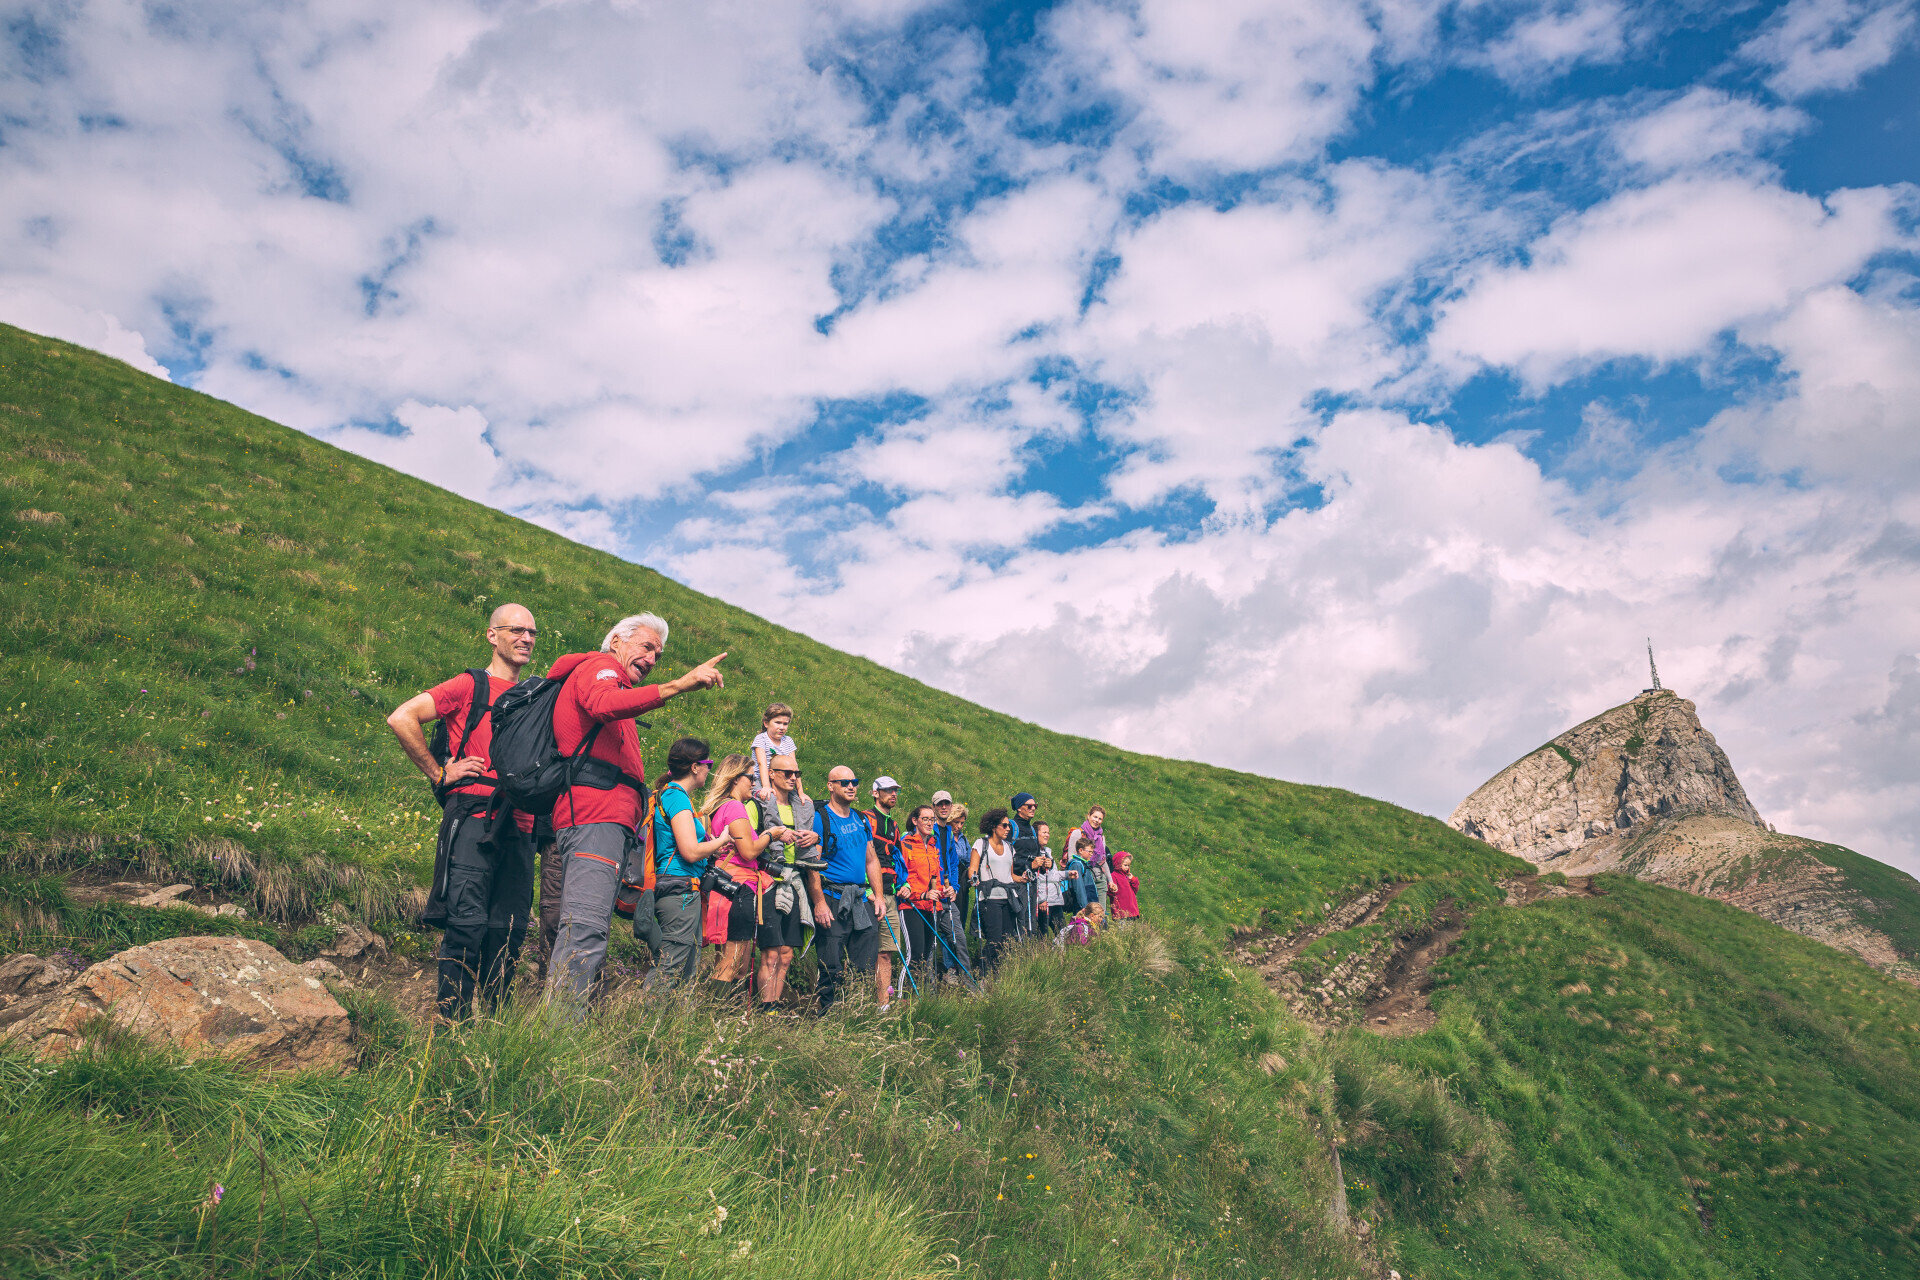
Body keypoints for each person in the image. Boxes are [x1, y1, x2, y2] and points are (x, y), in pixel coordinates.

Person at [543, 614, 728, 1011]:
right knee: (586, 930)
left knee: (590, 931)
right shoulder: (600, 667)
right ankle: (556, 1038)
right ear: (616, 641)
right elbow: (603, 702)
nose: (652, 658)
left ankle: (567, 1029)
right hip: (594, 818)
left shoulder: (614, 679)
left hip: (605, 823)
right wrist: (679, 684)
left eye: (658, 655)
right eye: (646, 647)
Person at [388, 602, 539, 1021]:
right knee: (467, 925)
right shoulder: (470, 685)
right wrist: (440, 773)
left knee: (508, 932)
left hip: (521, 823)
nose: (526, 639)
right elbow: (402, 717)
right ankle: (451, 1027)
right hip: (473, 812)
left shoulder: (535, 696)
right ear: (492, 635)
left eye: (532, 633)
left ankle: (495, 1034)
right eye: (515, 630)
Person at [702, 754, 798, 1004]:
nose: (755, 784)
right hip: (739, 888)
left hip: (725, 888)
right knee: (731, 963)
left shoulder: (719, 806)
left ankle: (721, 1016)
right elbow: (749, 851)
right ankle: (715, 1017)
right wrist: (770, 834)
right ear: (735, 779)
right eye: (750, 778)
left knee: (734, 963)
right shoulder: (734, 807)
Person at [642, 739, 730, 990]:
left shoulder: (671, 795)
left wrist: (712, 846)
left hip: (681, 890)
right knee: (670, 968)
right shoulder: (676, 798)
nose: (709, 770)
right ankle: (644, 1024)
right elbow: (690, 852)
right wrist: (721, 840)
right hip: (679, 891)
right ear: (694, 767)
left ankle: (675, 1026)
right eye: (708, 764)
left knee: (687, 971)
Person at [808, 765, 888, 1012]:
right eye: (844, 782)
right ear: (831, 786)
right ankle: (827, 1015)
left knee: (865, 962)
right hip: (832, 899)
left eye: (854, 781)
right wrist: (819, 903)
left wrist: (880, 897)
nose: (851, 786)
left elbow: (872, 859)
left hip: (860, 899)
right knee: (830, 964)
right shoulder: (820, 818)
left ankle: (857, 1013)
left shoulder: (861, 819)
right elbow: (812, 865)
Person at [750, 752, 818, 1010]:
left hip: (796, 877)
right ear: (771, 774)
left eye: (796, 774)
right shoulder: (759, 801)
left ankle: (774, 1005)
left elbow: (815, 846)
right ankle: (765, 1006)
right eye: (787, 773)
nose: (793, 778)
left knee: (787, 954)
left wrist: (814, 839)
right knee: (770, 952)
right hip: (769, 878)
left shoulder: (804, 805)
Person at [894, 803, 952, 994]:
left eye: (932, 819)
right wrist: (921, 894)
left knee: (927, 954)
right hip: (911, 906)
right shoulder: (906, 843)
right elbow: (901, 877)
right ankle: (903, 998)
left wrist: (944, 891)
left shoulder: (933, 846)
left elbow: (935, 877)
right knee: (915, 955)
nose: (929, 823)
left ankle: (920, 998)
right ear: (915, 821)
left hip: (930, 907)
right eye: (925, 819)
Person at [866, 776, 906, 1005]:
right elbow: (862, 855)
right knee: (866, 952)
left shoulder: (894, 825)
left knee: (887, 953)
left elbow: (897, 858)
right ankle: (858, 998)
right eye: (888, 790)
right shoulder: (867, 819)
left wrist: (905, 884)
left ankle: (883, 1005)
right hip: (871, 895)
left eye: (896, 791)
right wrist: (866, 889)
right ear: (875, 792)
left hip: (890, 894)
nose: (893, 794)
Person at [970, 808, 1025, 972]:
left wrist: (1022, 879)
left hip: (1008, 899)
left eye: (1008, 826)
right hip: (990, 899)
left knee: (1007, 940)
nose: (1008, 829)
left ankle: (998, 974)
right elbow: (972, 868)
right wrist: (974, 878)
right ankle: (984, 973)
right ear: (994, 826)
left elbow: (1010, 875)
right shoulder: (981, 844)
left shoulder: (1009, 847)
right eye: (1005, 825)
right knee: (994, 940)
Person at [929, 791, 969, 981]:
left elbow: (953, 863)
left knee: (959, 938)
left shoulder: (949, 832)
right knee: (930, 941)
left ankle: (968, 979)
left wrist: (954, 887)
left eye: (947, 804)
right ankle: (927, 983)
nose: (944, 807)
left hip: (947, 893)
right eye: (940, 804)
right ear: (934, 807)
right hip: (931, 893)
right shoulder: (930, 829)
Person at [751, 703, 807, 805]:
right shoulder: (761, 739)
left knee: (805, 803)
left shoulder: (788, 741)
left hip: (782, 781)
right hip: (760, 780)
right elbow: (761, 764)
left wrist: (801, 792)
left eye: (785, 724)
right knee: (770, 799)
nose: (782, 727)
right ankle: (773, 821)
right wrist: (766, 786)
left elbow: (795, 768)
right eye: (778, 723)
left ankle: (800, 821)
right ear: (766, 723)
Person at [1008, 793, 1042, 936]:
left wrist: (1043, 863)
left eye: (1035, 806)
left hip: (1031, 882)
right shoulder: (1011, 827)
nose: (1033, 808)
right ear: (1018, 808)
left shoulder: (1032, 829)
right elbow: (1007, 857)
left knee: (1031, 920)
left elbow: (1035, 854)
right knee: (1019, 919)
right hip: (1017, 882)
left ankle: (1028, 953)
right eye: (1029, 806)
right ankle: (1016, 951)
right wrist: (1029, 865)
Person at [1067, 805, 1109, 918]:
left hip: (1099, 878)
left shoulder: (1101, 837)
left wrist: (1110, 880)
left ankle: (1099, 935)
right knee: (1085, 911)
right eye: (1095, 817)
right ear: (1088, 816)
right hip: (1085, 876)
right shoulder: (1078, 833)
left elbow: (1103, 860)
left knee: (1101, 914)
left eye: (1100, 819)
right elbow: (1071, 857)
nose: (1097, 820)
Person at [1034, 821, 1067, 935]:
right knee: (1042, 936)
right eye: (1044, 832)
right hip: (1044, 903)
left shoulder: (1048, 852)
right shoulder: (1034, 854)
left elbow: (1054, 875)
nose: (1047, 835)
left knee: (1063, 933)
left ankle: (1062, 953)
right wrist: (1041, 899)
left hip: (1055, 900)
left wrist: (1068, 874)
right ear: (1035, 834)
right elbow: (1037, 878)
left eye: (1048, 832)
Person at [1109, 850, 1142, 922]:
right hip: (1120, 911)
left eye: (1128, 865)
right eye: (1125, 865)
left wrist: (1133, 879)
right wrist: (1112, 888)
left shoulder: (1127, 876)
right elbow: (1110, 892)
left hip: (1131, 909)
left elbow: (1135, 890)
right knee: (1122, 928)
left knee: (1130, 930)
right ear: (1118, 864)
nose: (1127, 867)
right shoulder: (1113, 876)